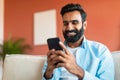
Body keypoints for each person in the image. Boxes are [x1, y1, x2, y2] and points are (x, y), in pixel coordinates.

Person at [42, 3, 114, 80]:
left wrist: (76, 69)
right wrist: (49, 72)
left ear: (84, 25)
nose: (69, 28)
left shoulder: (101, 51)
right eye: (65, 23)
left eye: (74, 22)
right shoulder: (55, 53)